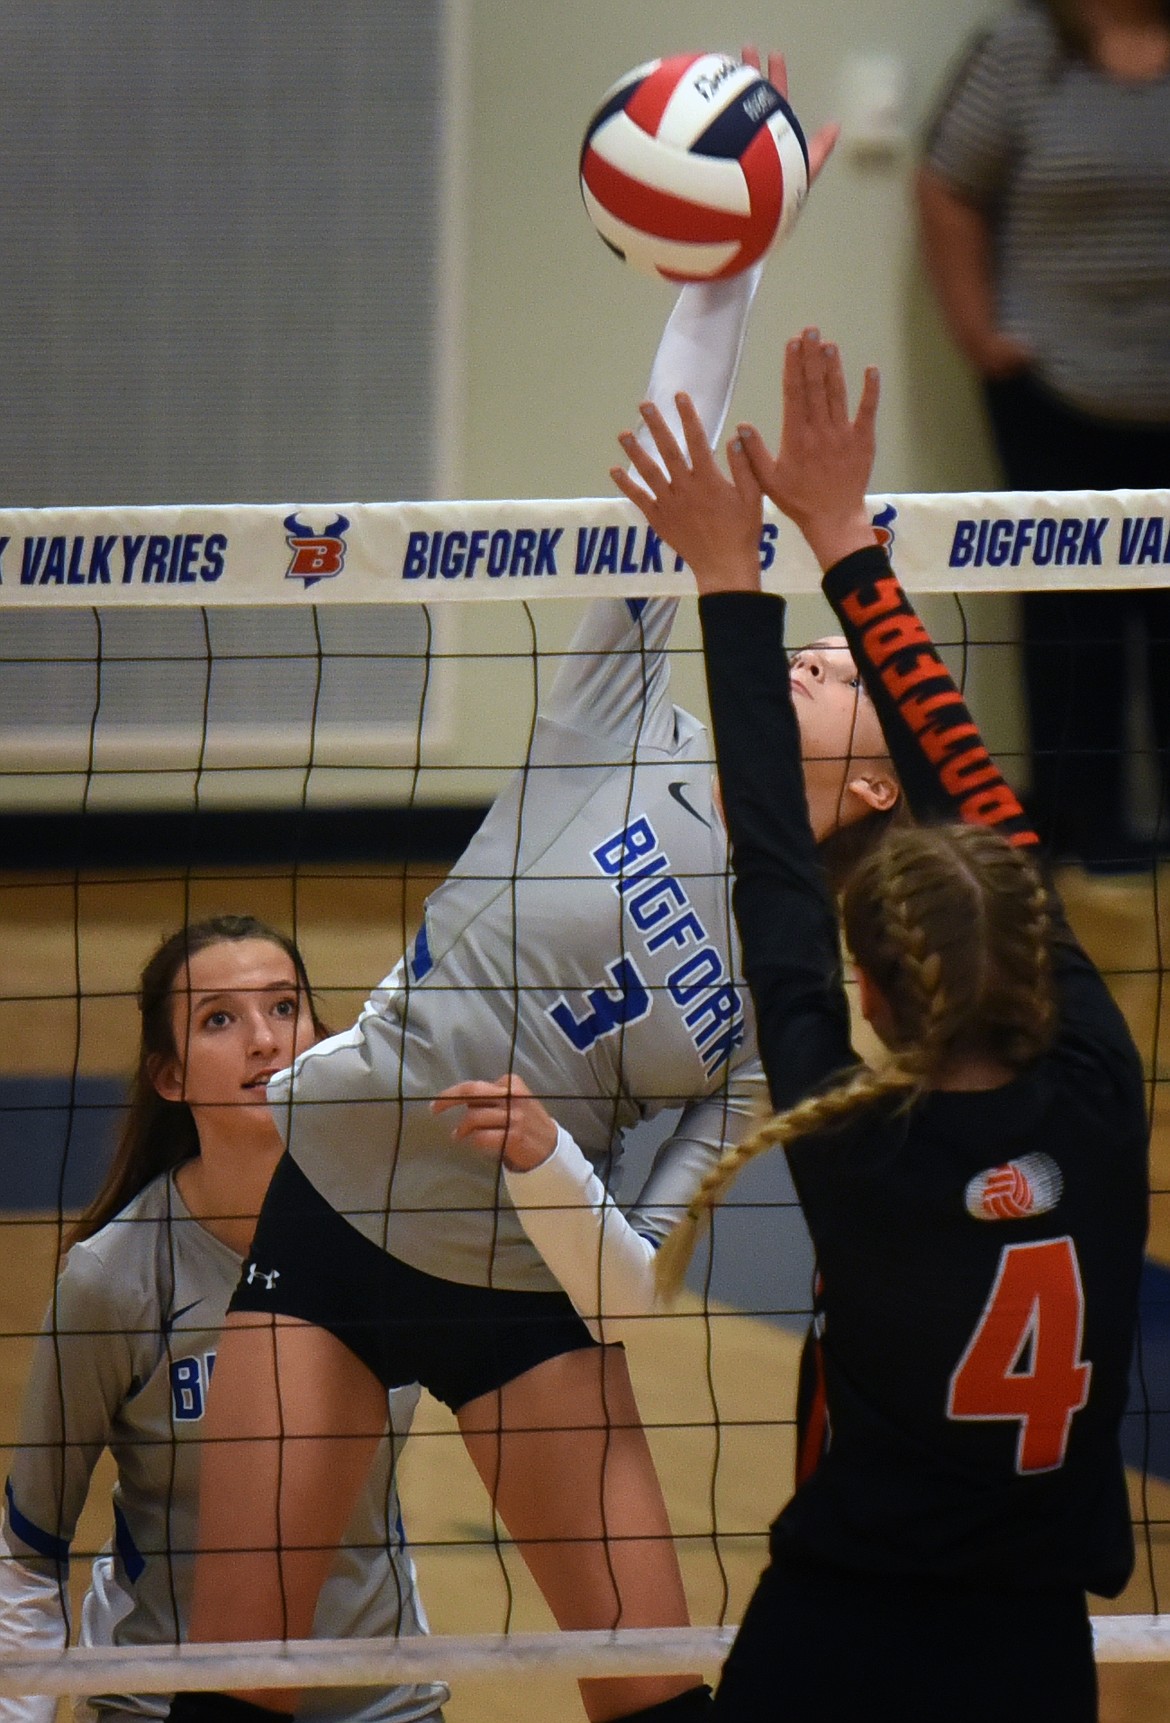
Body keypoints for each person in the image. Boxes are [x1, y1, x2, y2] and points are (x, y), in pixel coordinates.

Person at [170, 61, 901, 1723]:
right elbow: (675, 420)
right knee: (234, 1687)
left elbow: (634, 1273)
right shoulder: (623, 699)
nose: (817, 643)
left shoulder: (790, 982)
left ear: (870, 790)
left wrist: (546, 1147)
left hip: (525, 1297)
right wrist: (738, 241)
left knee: (655, 1697)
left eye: (847, 671)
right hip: (336, 1210)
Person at [604, 328, 1148, 1720]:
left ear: (873, 991)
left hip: (846, 1622)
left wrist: (767, 559)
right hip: (1032, 1638)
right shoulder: (1097, 1087)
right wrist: (812, 552)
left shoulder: (866, 1150)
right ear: (1032, 954)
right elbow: (817, 850)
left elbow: (793, 859)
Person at [0, 916, 446, 1723]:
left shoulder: (398, 1232)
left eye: (283, 1008)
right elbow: (27, 1547)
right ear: (170, 1076)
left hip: (380, 1700)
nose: (264, 1041)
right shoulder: (115, 1276)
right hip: (165, 1700)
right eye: (220, 1018)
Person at [917, 0, 1170, 868]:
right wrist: (979, 332)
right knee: (1071, 629)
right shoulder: (1019, 51)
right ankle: (1087, 830)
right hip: (1053, 396)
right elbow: (948, 182)